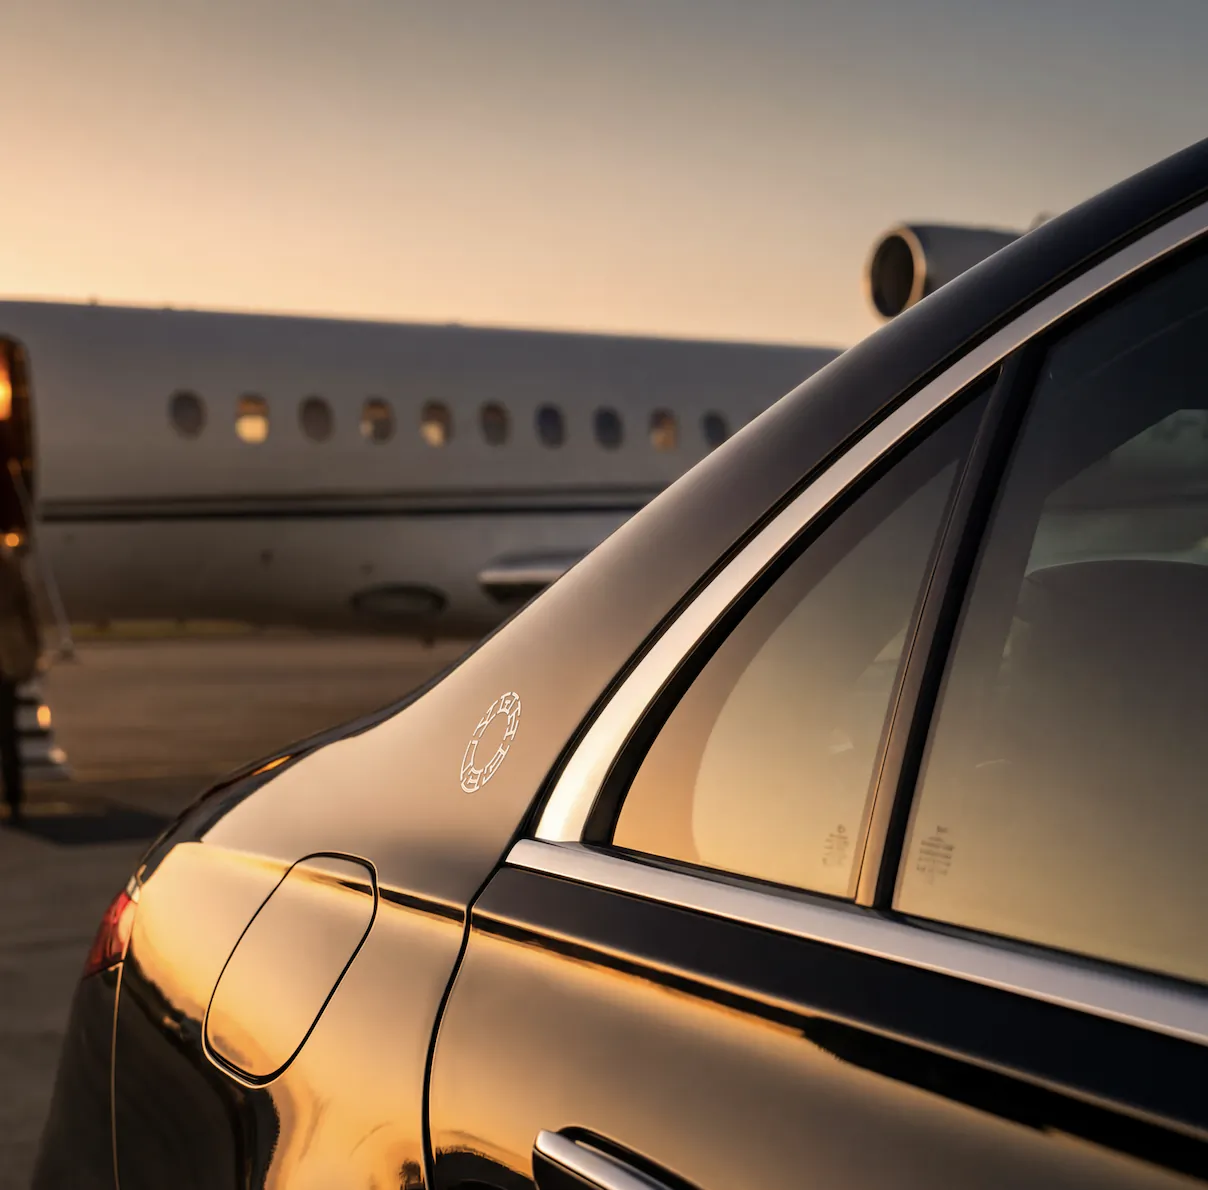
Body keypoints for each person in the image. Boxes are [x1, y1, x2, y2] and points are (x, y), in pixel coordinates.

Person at [0, 538, 42, 824]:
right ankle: (14, 796)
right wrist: (33, 650)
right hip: (7, 658)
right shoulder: (10, 568)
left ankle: (14, 795)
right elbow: (27, 611)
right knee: (8, 731)